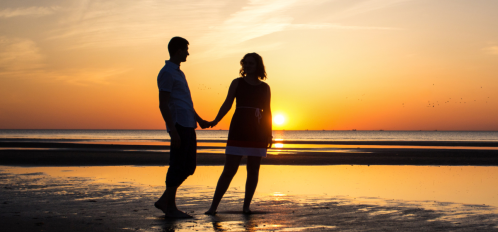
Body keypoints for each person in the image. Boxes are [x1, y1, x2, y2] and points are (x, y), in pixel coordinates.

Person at [205, 53, 272, 215]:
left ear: (258, 66)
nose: (247, 66)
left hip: (257, 130)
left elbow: (268, 111)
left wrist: (269, 133)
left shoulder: (265, 87)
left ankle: (246, 207)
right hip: (239, 128)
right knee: (229, 170)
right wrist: (215, 121)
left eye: (251, 63)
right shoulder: (237, 83)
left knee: (253, 170)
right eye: (245, 63)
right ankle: (213, 207)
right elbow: (227, 104)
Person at [154, 36, 209, 218]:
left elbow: (186, 102)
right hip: (179, 125)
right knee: (177, 166)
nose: (188, 52)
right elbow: (163, 104)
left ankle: (165, 200)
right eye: (186, 49)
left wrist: (199, 119)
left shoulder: (179, 72)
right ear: (178, 50)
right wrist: (173, 131)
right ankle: (170, 208)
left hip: (188, 124)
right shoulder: (167, 73)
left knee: (189, 167)